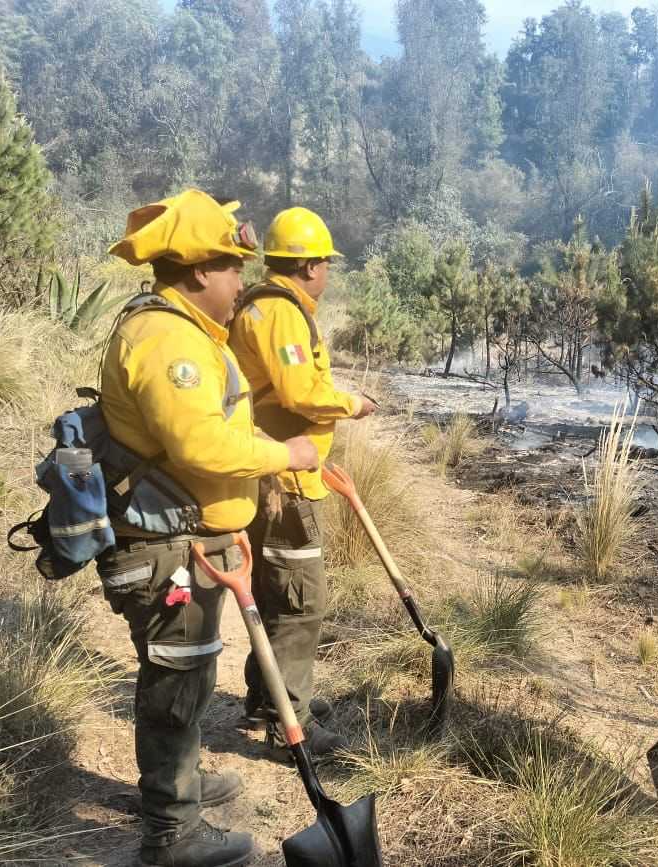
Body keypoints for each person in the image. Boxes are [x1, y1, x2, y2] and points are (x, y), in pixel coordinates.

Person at [99, 189, 319, 867]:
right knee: (176, 680)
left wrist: (233, 523)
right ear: (197, 270)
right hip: (165, 552)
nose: (239, 281)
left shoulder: (186, 330)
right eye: (231, 267)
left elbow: (208, 441)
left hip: (192, 539)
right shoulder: (168, 341)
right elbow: (202, 448)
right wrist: (288, 454)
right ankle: (172, 833)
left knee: (187, 674)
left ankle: (180, 787)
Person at [229, 206, 376, 760]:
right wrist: (353, 403)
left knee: (273, 590)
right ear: (310, 265)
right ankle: (290, 721)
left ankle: (266, 696)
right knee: (299, 600)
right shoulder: (282, 313)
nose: (329, 274)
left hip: (278, 471)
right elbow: (297, 393)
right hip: (287, 482)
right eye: (326, 264)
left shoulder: (264, 306)